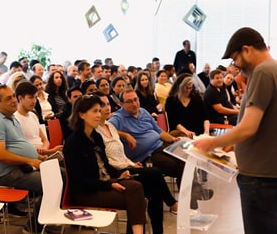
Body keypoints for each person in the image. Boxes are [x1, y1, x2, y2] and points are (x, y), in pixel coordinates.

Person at [193, 27, 277, 234]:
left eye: (235, 58)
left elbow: (249, 126)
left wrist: (210, 142)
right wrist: (232, 143)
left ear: (247, 50)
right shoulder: (272, 69)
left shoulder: (263, 72)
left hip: (260, 178)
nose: (235, 66)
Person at [63, 94, 146, 234]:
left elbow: (105, 166)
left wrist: (120, 175)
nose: (98, 115)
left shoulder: (96, 136)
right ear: (82, 115)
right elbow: (79, 181)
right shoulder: (73, 143)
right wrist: (109, 184)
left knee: (135, 187)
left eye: (99, 111)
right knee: (137, 200)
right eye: (94, 111)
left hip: (102, 183)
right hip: (86, 192)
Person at [95, 92, 178, 233]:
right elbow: (105, 162)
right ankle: (172, 203)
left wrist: (132, 164)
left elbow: (121, 155)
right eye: (102, 106)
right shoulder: (99, 130)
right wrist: (118, 175)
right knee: (155, 173)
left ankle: (159, 231)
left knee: (155, 191)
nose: (107, 108)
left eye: (108, 104)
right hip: (117, 172)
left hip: (129, 165)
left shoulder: (110, 127)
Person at [0, 85, 44, 219]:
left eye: (13, 96)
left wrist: (41, 157)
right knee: (52, 181)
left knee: (62, 173)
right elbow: (1, 154)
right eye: (8, 98)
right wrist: (30, 160)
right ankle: (34, 227)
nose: (14, 100)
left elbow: (22, 145)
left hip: (24, 167)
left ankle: (50, 218)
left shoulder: (11, 118)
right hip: (9, 173)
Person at [108, 89, 184, 188]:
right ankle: (187, 200)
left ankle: (190, 197)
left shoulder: (143, 111)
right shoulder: (118, 118)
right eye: (130, 101)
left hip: (160, 145)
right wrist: (125, 135)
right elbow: (105, 129)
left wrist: (173, 139)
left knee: (187, 158)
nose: (134, 104)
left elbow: (159, 132)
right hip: (146, 156)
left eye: (136, 99)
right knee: (177, 167)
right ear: (121, 104)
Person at [14, 82, 63, 158]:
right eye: (30, 97)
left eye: (35, 97)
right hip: (31, 159)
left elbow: (45, 140)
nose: (34, 101)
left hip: (43, 154)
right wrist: (51, 151)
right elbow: (23, 149)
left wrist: (44, 149)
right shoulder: (15, 119)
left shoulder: (33, 115)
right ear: (20, 98)